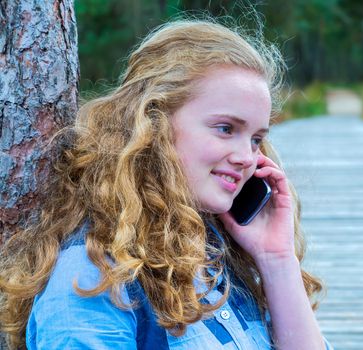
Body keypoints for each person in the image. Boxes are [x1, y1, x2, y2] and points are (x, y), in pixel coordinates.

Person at [0, 18, 331, 349]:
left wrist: (276, 258)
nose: (247, 156)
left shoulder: (224, 257)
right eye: (226, 128)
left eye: (256, 138)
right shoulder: (94, 278)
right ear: (153, 123)